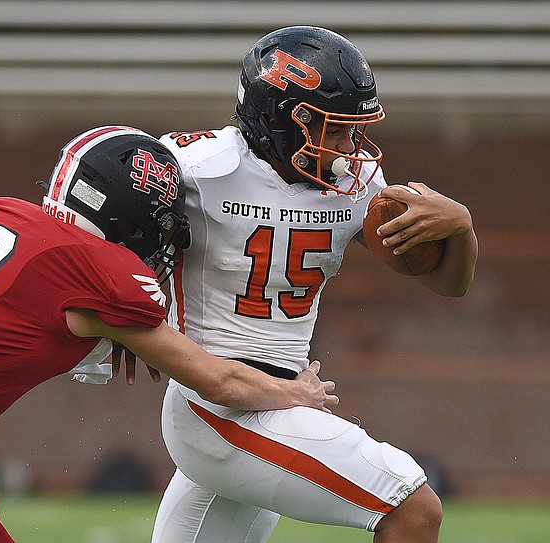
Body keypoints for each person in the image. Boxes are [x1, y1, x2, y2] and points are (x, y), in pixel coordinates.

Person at [0, 125, 339, 543]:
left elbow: (15, 310)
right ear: (130, 217)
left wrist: (122, 328)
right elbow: (218, 381)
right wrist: (296, 393)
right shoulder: (97, 275)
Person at [150, 27, 478, 543]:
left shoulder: (355, 186)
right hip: (215, 404)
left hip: (282, 397)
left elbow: (448, 283)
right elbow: (108, 230)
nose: (353, 148)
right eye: (338, 129)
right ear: (288, 120)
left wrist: (461, 226)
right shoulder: (195, 168)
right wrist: (125, 317)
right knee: (413, 508)